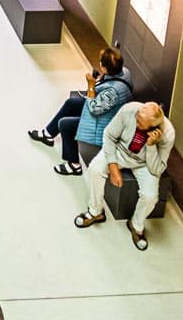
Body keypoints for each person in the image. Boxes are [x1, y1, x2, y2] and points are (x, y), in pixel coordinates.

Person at [74, 101, 175, 251]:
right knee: (95, 169)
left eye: (140, 122)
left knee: (150, 196)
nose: (135, 120)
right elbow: (109, 135)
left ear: (153, 128)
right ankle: (95, 211)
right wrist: (113, 166)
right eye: (137, 116)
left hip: (145, 163)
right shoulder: (130, 110)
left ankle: (136, 225)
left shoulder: (168, 135)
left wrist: (151, 145)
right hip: (120, 150)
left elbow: (157, 169)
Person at [29, 47, 133, 175]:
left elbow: (94, 109)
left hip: (105, 123)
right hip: (107, 109)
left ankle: (74, 166)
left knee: (65, 125)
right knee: (71, 103)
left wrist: (90, 85)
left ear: (105, 68)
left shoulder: (112, 92)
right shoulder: (125, 72)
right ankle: (48, 134)